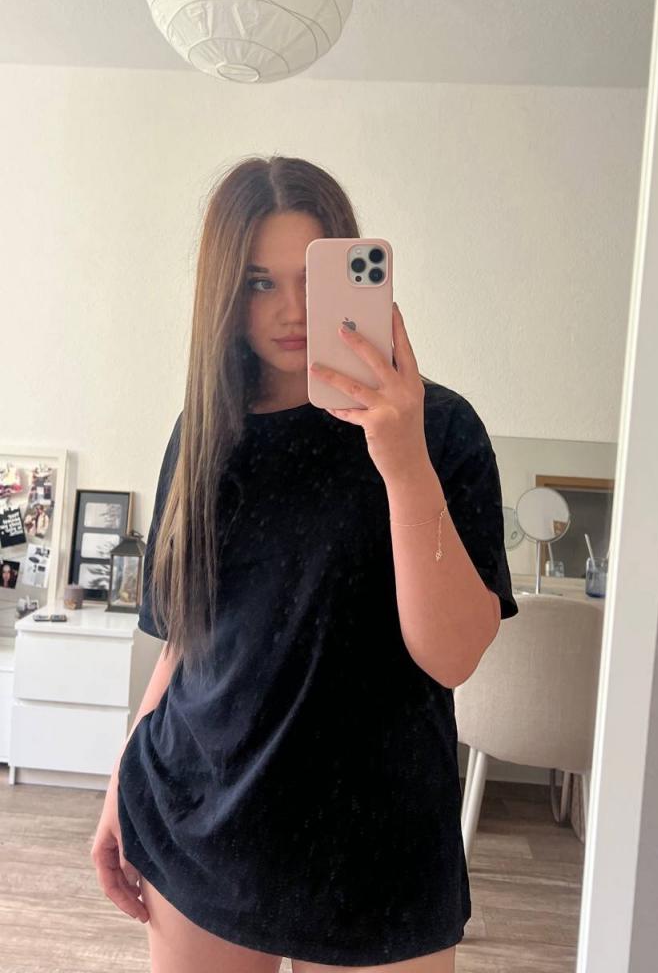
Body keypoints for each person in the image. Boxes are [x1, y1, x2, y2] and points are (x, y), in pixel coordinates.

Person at [90, 155, 518, 973]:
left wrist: (401, 458)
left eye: (310, 280)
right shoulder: (204, 429)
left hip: (376, 851)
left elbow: (452, 655)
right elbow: (187, 639)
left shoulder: (440, 428)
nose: (289, 310)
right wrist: (119, 785)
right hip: (198, 824)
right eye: (258, 283)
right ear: (223, 293)